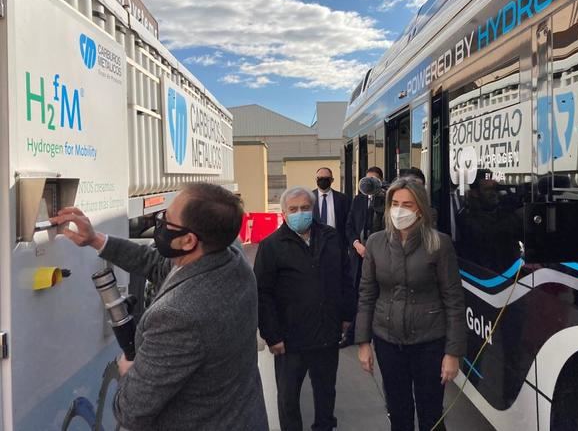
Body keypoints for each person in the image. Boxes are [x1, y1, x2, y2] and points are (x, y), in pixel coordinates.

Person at [50, 183, 269, 431]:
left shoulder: (178, 316)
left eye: (167, 220)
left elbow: (131, 410)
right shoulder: (231, 258)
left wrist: (128, 372)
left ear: (188, 240)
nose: (160, 224)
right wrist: (95, 239)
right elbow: (157, 264)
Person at [356, 179, 464, 431]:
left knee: (431, 413)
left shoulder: (439, 244)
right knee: (398, 410)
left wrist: (453, 353)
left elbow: (454, 300)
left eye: (407, 204)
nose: (399, 210)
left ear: (420, 209)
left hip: (429, 342)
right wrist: (363, 342)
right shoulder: (375, 242)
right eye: (395, 203)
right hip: (388, 341)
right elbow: (366, 294)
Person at [255, 187, 356, 431]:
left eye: (304, 208)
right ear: (283, 213)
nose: (300, 213)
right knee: (288, 398)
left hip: (326, 335)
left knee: (325, 393)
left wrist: (346, 314)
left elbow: (346, 277)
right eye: (293, 209)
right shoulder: (271, 246)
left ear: (312, 209)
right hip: (289, 340)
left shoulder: (331, 238)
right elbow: (262, 293)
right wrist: (272, 335)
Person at [342, 166, 384, 347]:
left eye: (374, 181)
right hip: (359, 256)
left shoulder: (386, 199)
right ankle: (354, 335)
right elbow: (349, 225)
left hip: (381, 257)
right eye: (367, 180)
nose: (370, 184)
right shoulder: (358, 200)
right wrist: (356, 244)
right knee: (358, 296)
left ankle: (378, 335)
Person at [313, 167, 350, 247]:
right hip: (315, 244)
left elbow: (348, 222)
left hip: (337, 243)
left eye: (327, 178)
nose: (323, 180)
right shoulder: (309, 198)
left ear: (332, 180)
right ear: (316, 179)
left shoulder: (342, 198)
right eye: (320, 178)